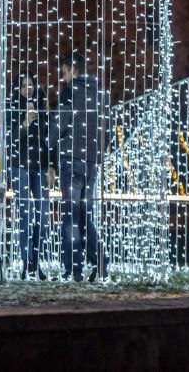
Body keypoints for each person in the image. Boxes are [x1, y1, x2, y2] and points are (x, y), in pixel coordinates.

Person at [49, 51, 109, 282]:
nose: (62, 78)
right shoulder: (100, 94)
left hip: (71, 160)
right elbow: (108, 128)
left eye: (64, 73)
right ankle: (100, 261)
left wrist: (47, 145)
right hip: (92, 162)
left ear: (73, 71)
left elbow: (58, 125)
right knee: (84, 216)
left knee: (70, 217)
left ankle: (71, 269)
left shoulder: (70, 91)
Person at [6, 74, 54, 280]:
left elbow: (49, 139)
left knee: (43, 216)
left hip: (40, 167)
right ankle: (27, 263)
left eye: (31, 85)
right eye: (23, 86)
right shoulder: (12, 109)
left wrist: (52, 166)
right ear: (17, 89)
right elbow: (9, 139)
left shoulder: (43, 110)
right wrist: (24, 124)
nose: (28, 89)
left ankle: (36, 260)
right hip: (20, 167)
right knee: (25, 215)